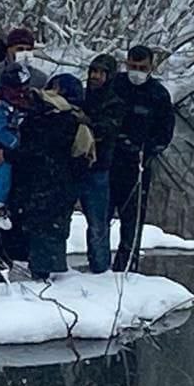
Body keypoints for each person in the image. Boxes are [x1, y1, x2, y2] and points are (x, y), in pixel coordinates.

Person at [10, 75, 94, 281]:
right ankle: (46, 270)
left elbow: (22, 146)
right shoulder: (76, 120)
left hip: (31, 179)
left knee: (29, 224)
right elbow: (82, 155)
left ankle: (25, 265)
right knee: (52, 228)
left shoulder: (32, 114)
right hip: (59, 181)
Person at [109, 45, 175, 272]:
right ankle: (98, 265)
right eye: (133, 67)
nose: (136, 71)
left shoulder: (158, 94)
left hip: (138, 165)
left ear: (151, 67)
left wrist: (149, 150)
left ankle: (128, 266)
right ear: (126, 64)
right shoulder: (115, 85)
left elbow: (165, 133)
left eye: (142, 68)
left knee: (133, 219)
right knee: (100, 217)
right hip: (109, 161)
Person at [79, 54, 126, 273]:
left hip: (98, 169)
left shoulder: (114, 102)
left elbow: (104, 130)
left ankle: (99, 267)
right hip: (72, 167)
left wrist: (83, 123)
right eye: (93, 72)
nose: (95, 77)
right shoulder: (80, 97)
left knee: (98, 223)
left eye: (101, 73)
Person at [0, 62, 35, 230]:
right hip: (5, 149)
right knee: (4, 168)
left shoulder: (29, 102)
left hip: (27, 155)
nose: (21, 92)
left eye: (24, 87)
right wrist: (15, 144)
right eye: (16, 88)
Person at [0, 28, 49, 130]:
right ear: (8, 49)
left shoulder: (40, 78)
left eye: (28, 50)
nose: (24, 54)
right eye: (20, 49)